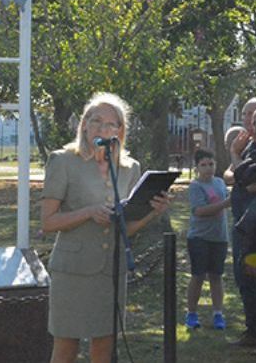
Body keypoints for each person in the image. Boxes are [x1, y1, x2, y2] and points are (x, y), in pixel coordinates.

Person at [41, 92, 170, 363]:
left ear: (120, 131)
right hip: (72, 271)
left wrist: (151, 214)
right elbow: (48, 222)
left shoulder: (129, 168)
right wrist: (88, 212)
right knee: (66, 348)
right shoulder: (63, 161)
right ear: (84, 124)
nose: (103, 128)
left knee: (104, 347)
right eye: (96, 121)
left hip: (111, 271)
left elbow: (126, 229)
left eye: (111, 124)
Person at [226, 99, 256, 348]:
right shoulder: (249, 146)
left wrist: (238, 168)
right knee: (243, 280)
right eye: (245, 116)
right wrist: (237, 167)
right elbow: (230, 174)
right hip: (241, 223)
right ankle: (253, 330)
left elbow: (248, 177)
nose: (248, 121)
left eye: (254, 116)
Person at [185, 149, 231, 330]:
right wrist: (225, 204)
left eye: (211, 164)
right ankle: (191, 313)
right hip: (199, 237)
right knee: (198, 276)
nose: (208, 168)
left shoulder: (219, 183)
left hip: (219, 237)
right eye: (203, 165)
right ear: (197, 167)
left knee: (216, 276)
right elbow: (199, 211)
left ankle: (218, 313)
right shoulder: (195, 186)